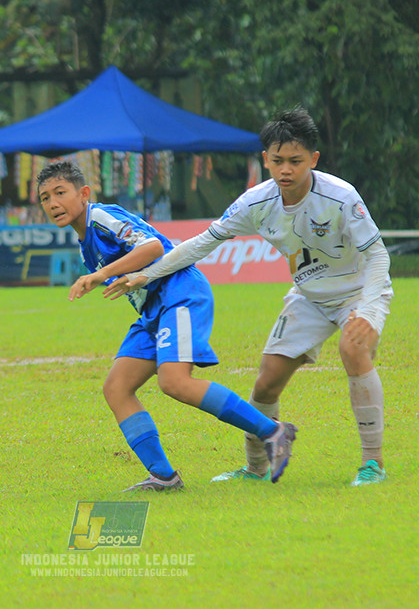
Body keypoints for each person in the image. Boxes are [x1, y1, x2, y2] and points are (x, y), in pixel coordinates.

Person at [106, 107, 392, 487]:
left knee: (353, 350)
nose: (286, 170)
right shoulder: (255, 203)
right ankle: (256, 469)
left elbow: (377, 255)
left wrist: (368, 311)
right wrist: (145, 275)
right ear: (265, 160)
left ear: (314, 160)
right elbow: (201, 244)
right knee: (266, 383)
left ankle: (372, 465)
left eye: (296, 161)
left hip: (358, 293)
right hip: (308, 298)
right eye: (277, 161)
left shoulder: (341, 197)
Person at [36, 160, 297, 492]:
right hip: (152, 310)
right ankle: (163, 476)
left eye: (60, 193)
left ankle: (272, 431)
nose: (53, 203)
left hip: (179, 293)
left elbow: (153, 247)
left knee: (174, 382)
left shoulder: (100, 217)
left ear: (84, 193)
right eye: (45, 198)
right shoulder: (85, 239)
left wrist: (101, 275)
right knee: (116, 388)